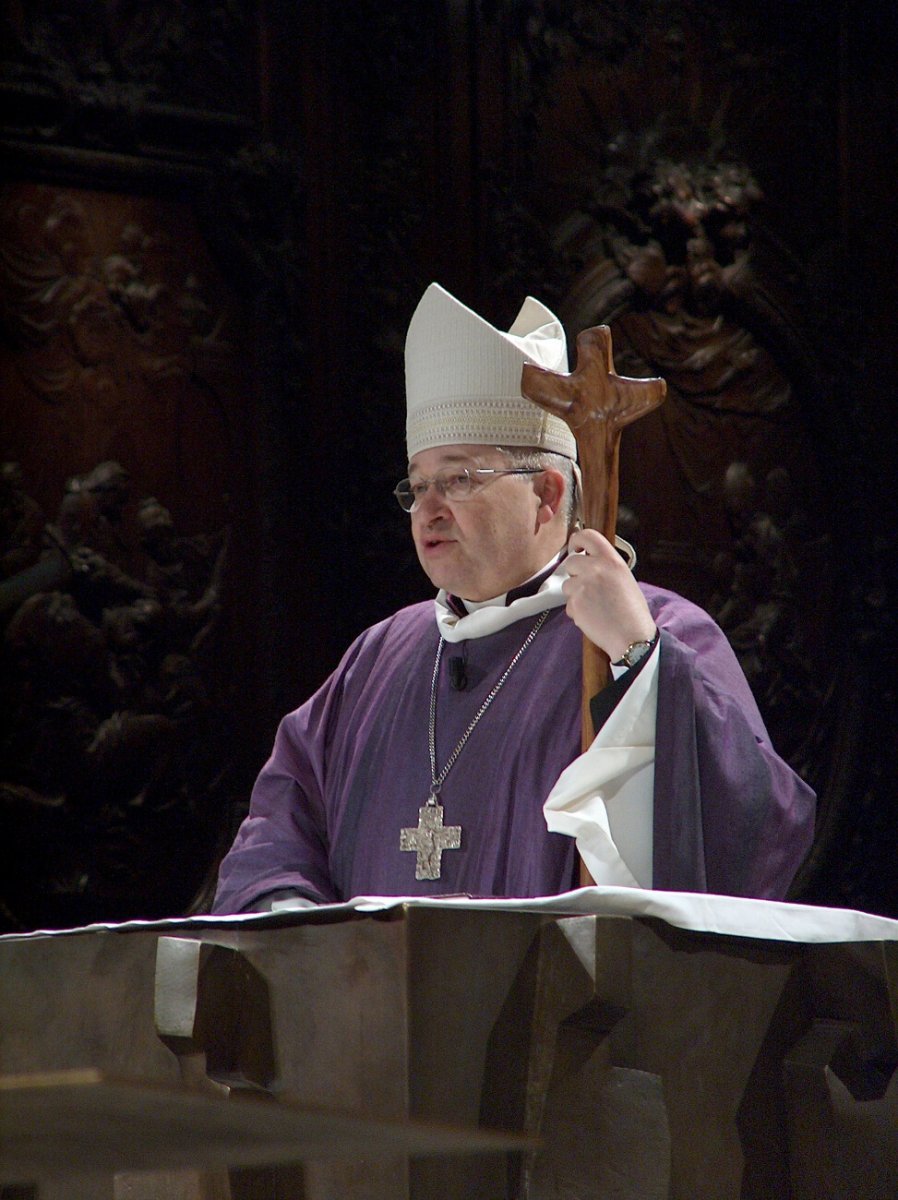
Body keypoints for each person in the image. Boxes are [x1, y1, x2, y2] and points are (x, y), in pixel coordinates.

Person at [212, 283, 816, 914]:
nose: (428, 510)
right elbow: (280, 825)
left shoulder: (653, 631)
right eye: (417, 487)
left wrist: (639, 662)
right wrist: (296, 922)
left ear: (549, 495)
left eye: (459, 479)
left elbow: (744, 832)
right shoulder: (379, 657)